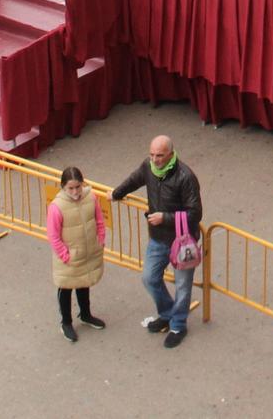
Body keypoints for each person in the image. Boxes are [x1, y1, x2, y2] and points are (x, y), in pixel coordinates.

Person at [111, 134, 204, 347]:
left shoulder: (185, 176)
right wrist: (116, 194)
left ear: (171, 154)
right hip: (158, 238)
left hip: (182, 241)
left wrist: (165, 217)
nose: (155, 160)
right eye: (152, 155)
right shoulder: (149, 166)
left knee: (183, 286)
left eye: (160, 156)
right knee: (149, 278)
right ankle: (167, 313)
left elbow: (195, 213)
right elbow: (134, 179)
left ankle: (178, 325)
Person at [47, 165, 109, 342]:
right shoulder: (56, 207)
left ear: (82, 184)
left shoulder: (91, 197)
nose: (75, 191)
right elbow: (53, 235)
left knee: (84, 283)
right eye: (70, 188)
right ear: (63, 187)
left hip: (87, 251)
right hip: (69, 256)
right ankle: (66, 322)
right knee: (65, 288)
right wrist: (65, 256)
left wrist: (101, 240)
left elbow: (99, 220)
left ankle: (85, 314)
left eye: (78, 187)